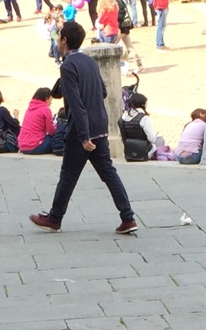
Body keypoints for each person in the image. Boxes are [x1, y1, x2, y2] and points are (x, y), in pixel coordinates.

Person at [29, 20, 139, 235]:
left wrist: (83, 135)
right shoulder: (89, 61)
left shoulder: (68, 66)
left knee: (68, 176)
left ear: (64, 40)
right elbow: (103, 92)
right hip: (100, 125)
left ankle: (54, 218)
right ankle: (128, 217)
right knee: (109, 173)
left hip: (82, 130)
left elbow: (76, 103)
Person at [118, 91, 162, 160]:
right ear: (143, 105)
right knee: (160, 139)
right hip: (143, 152)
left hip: (129, 153)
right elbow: (152, 139)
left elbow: (121, 138)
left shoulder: (122, 118)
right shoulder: (144, 118)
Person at [18, 86, 59, 154]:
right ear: (46, 98)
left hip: (22, 146)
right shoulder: (45, 109)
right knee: (57, 139)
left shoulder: (29, 108)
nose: (51, 102)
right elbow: (51, 131)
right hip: (35, 146)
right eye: (50, 100)